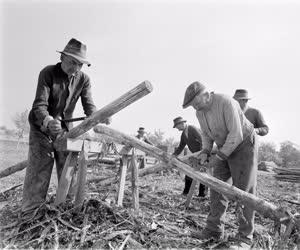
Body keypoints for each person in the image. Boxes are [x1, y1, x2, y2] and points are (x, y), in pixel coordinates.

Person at [22, 38, 110, 219]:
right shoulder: (47, 73)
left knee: (69, 164)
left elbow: (89, 106)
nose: (76, 68)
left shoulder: (84, 79)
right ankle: (31, 213)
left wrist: (99, 117)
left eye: (80, 65)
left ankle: (67, 208)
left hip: (64, 129)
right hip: (41, 128)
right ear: (62, 57)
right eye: (73, 63)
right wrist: (47, 120)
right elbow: (39, 105)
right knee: (41, 165)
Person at [182, 81, 258, 247]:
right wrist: (205, 152)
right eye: (192, 106)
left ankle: (245, 237)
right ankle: (214, 230)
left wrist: (219, 158)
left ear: (207, 95)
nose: (195, 108)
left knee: (243, 191)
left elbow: (236, 135)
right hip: (224, 146)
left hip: (244, 144)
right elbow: (207, 136)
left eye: (196, 103)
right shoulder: (199, 113)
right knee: (217, 187)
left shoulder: (226, 102)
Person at [172, 116, 206, 197]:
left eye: (177, 126)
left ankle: (202, 194)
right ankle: (186, 192)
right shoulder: (183, 135)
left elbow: (202, 140)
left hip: (203, 153)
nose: (177, 128)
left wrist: (201, 154)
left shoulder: (192, 128)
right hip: (196, 155)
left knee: (203, 174)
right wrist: (173, 155)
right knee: (189, 172)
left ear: (181, 124)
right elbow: (181, 147)